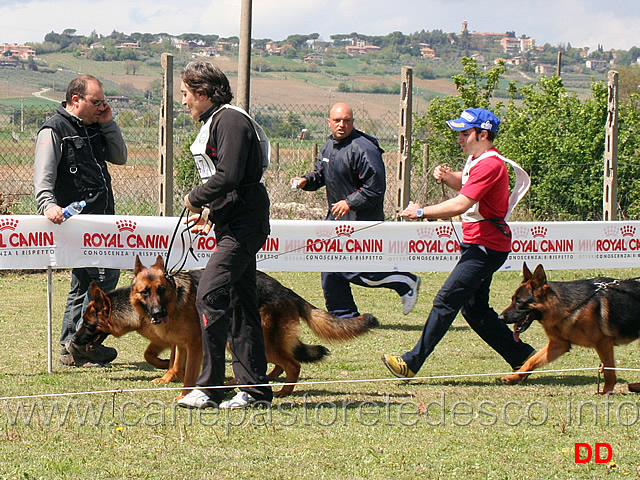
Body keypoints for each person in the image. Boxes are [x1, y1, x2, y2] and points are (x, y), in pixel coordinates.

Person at [382, 108, 535, 378]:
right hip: (482, 245)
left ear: (483, 134)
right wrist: (447, 176)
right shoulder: (479, 160)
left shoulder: (490, 164)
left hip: (486, 248)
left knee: (446, 301)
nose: (459, 139)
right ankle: (523, 356)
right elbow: (466, 186)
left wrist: (421, 212)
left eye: (465, 133)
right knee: (475, 310)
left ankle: (411, 363)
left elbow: (462, 203)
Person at [176, 61, 272, 410]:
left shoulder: (230, 120)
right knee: (241, 305)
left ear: (202, 93)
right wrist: (212, 213)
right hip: (233, 223)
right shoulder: (218, 120)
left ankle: (210, 388)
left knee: (209, 295)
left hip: (245, 226)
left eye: (186, 94)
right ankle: (255, 392)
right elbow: (234, 180)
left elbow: (230, 175)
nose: (184, 101)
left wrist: (195, 198)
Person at [290, 103, 421, 319]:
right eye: (338, 120)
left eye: (347, 120)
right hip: (338, 219)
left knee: (356, 270)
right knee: (330, 266)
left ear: (352, 122)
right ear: (329, 122)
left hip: (361, 220)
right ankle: (344, 316)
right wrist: (306, 181)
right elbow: (321, 174)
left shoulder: (364, 148)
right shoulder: (329, 146)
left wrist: (349, 202)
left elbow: (375, 188)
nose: (342, 125)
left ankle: (405, 281)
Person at [33, 75, 127, 367]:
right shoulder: (53, 130)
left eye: (103, 102)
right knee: (105, 278)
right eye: (96, 102)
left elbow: (120, 157)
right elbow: (43, 177)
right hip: (75, 223)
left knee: (84, 282)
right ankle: (82, 343)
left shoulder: (97, 127)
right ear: (76, 100)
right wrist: (47, 205)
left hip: (102, 220)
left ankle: (68, 347)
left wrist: (108, 123)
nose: (102, 107)